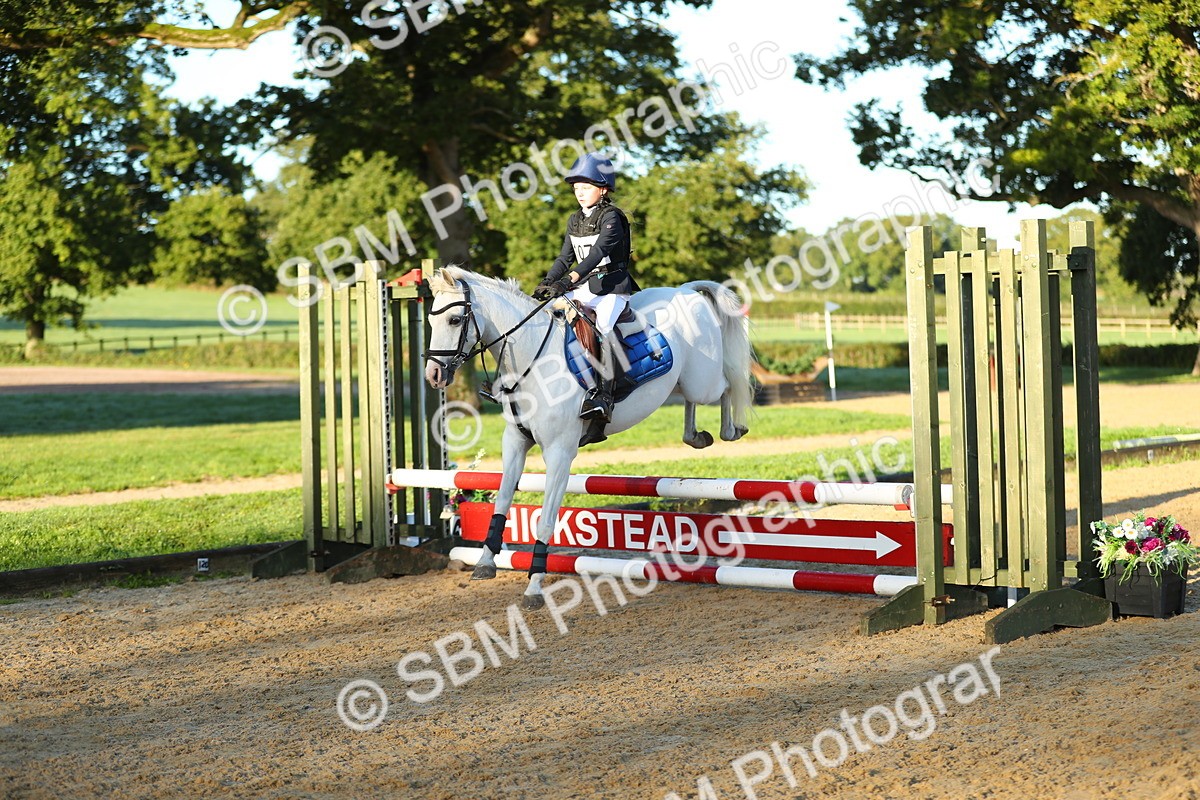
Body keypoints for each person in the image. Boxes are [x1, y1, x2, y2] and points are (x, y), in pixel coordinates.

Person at [533, 152, 638, 422]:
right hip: (585, 287)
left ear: (602, 189)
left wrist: (568, 281)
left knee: (601, 327)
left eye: (586, 187)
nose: (579, 193)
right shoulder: (574, 219)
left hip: (612, 287)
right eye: (576, 188)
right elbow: (565, 257)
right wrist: (547, 281)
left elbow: (597, 253)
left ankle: (605, 395)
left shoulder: (612, 217)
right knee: (549, 317)